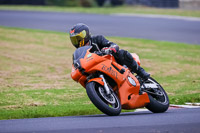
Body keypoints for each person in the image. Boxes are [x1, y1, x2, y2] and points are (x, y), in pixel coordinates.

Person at [69, 23, 150, 81]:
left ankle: (141, 72)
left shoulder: (97, 39)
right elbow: (76, 66)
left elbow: (113, 45)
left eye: (78, 38)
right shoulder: (78, 53)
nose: (77, 42)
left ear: (85, 35)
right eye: (74, 40)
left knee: (121, 53)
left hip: (111, 63)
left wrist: (110, 49)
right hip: (97, 70)